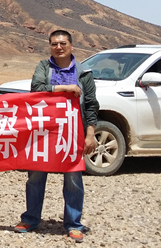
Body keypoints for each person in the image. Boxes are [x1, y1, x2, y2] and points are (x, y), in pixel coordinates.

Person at [14, 29, 99, 243]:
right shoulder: (44, 67)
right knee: (35, 176)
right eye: (54, 44)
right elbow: (37, 88)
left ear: (71, 45)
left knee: (73, 179)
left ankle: (73, 224)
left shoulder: (84, 73)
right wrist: (65, 88)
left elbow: (91, 104)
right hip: (43, 132)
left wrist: (90, 133)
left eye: (62, 43)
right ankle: (31, 219)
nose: (58, 47)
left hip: (72, 133)